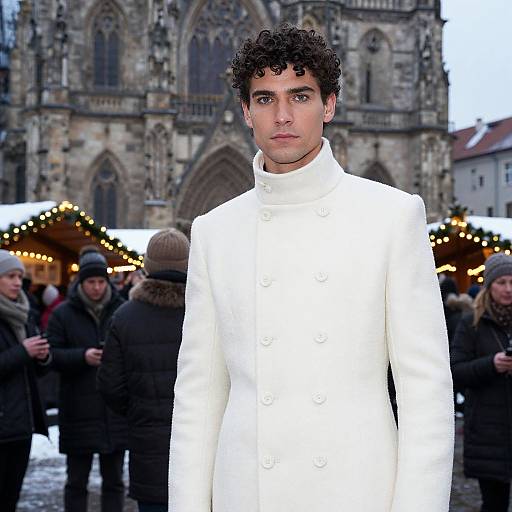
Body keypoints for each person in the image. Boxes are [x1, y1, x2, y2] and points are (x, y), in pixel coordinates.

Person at [169, 24, 454, 512]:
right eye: (264, 99)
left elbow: (425, 393)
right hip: (246, 494)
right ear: (245, 111)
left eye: (299, 96)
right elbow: (198, 399)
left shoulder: (391, 216)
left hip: (356, 491)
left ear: (329, 105)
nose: (282, 116)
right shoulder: (215, 231)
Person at [98, 228, 189, 512]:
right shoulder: (206, 310)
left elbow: (110, 386)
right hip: (199, 449)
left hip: (146, 443)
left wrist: (140, 410)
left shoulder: (125, 316)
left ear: (147, 266)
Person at [47, 247, 127, 512]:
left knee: (114, 482)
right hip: (77, 410)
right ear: (81, 282)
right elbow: (51, 355)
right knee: (76, 482)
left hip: (112, 412)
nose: (95, 287)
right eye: (90, 282)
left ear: (107, 282)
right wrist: (82, 357)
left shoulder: (122, 311)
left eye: (100, 281)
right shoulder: (63, 314)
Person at [451, 253, 512, 512]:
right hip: (489, 429)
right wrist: (491, 365)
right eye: (501, 283)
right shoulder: (471, 323)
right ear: (489, 286)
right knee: (494, 503)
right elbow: (455, 371)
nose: (508, 289)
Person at [0, 250, 48, 511]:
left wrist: (42, 357)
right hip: (3, 423)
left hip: (20, 425)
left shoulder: (24, 313)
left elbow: (36, 372)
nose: (17, 282)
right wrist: (23, 352)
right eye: (10, 276)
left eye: (19, 276)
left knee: (11, 498)